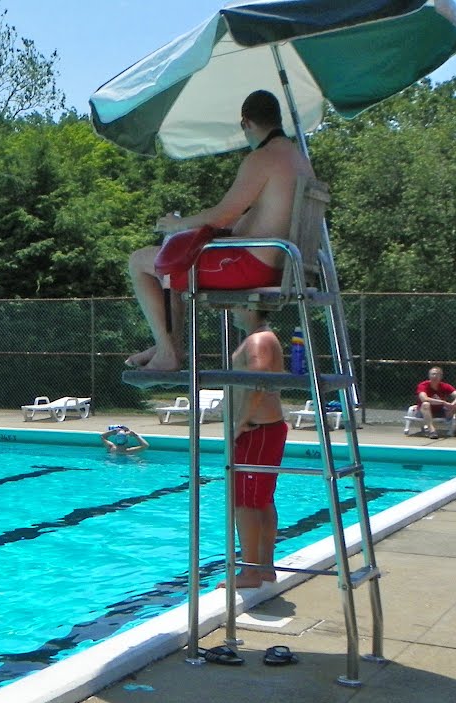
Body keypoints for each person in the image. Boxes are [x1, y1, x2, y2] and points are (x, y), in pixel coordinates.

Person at [126, 90, 317, 372]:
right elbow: (253, 218)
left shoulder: (263, 158)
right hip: (286, 266)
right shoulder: (300, 161)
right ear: (278, 120)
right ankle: (168, 345)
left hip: (251, 267)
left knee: (141, 261)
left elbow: (222, 215)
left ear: (246, 123)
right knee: (170, 267)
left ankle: (168, 350)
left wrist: (178, 224)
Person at [226, 307, 287, 589]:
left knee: (246, 502)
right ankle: (264, 567)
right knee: (261, 499)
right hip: (264, 429)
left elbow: (258, 381)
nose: (232, 310)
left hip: (256, 430)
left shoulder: (258, 340)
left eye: (237, 305)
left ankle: (250, 571)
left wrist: (240, 423)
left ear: (250, 307)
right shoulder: (263, 337)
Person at [415, 366, 456, 439]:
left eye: (438, 374)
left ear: (441, 376)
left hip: (441, 411)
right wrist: (443, 402)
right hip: (424, 412)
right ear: (429, 376)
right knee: (425, 404)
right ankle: (432, 431)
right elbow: (424, 399)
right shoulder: (423, 385)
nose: (435, 376)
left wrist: (452, 405)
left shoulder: (445, 386)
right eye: (433, 374)